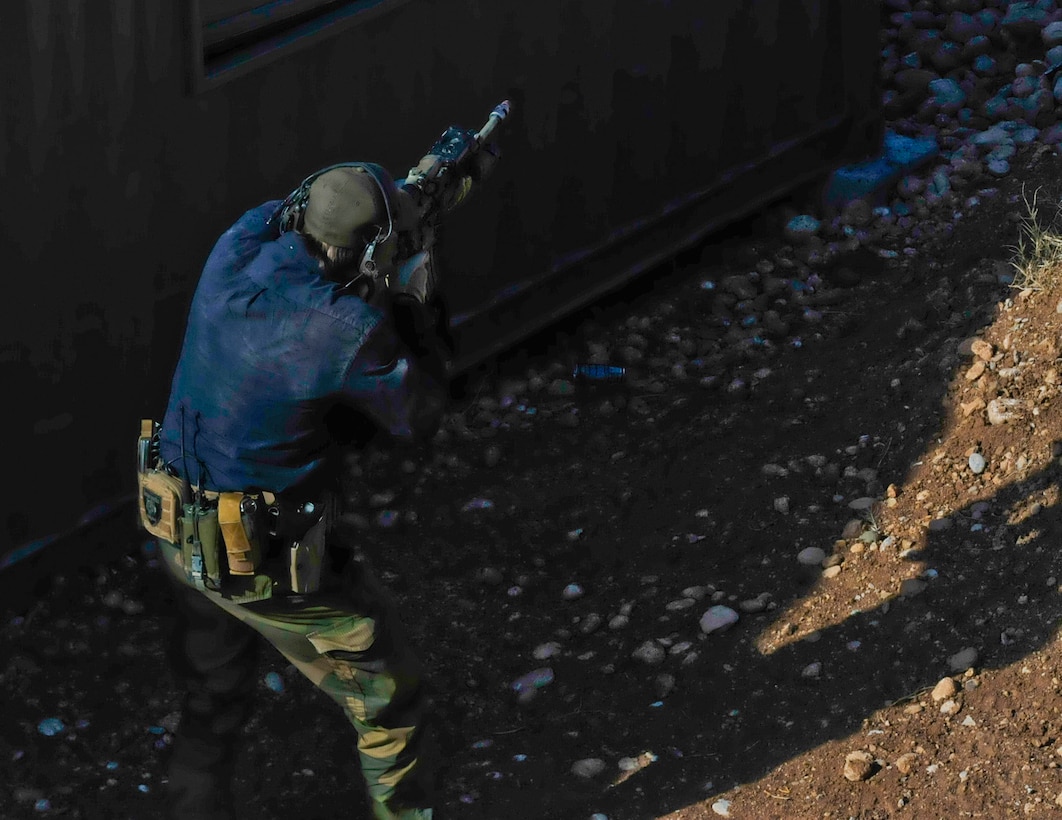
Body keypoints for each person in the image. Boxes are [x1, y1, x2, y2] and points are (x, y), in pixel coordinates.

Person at [151, 162, 450, 820]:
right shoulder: (345, 328)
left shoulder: (236, 246)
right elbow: (417, 414)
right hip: (254, 557)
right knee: (388, 700)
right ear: (367, 252)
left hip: (172, 517)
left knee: (213, 691)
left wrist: (387, 202)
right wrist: (411, 299)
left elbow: (297, 217)